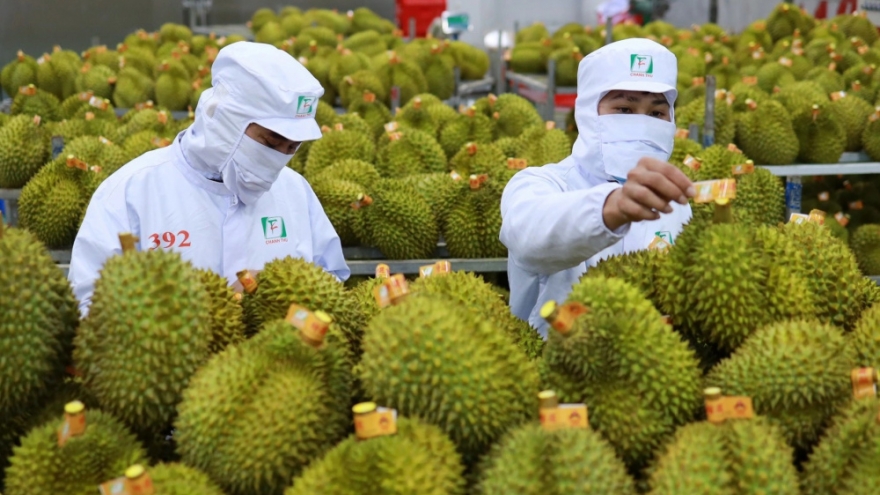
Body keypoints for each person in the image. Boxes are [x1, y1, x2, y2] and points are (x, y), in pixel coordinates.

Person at [69, 42, 350, 316]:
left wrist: (286, 294)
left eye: (292, 147)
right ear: (223, 118)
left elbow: (332, 286)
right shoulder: (128, 193)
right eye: (270, 142)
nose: (279, 157)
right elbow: (88, 307)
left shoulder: (295, 191)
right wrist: (187, 310)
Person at [499, 38, 695, 337]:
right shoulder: (540, 184)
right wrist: (610, 207)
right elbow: (528, 234)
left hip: (651, 361)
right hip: (551, 360)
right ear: (588, 112)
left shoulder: (675, 203)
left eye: (656, 114)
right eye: (624, 109)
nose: (642, 125)